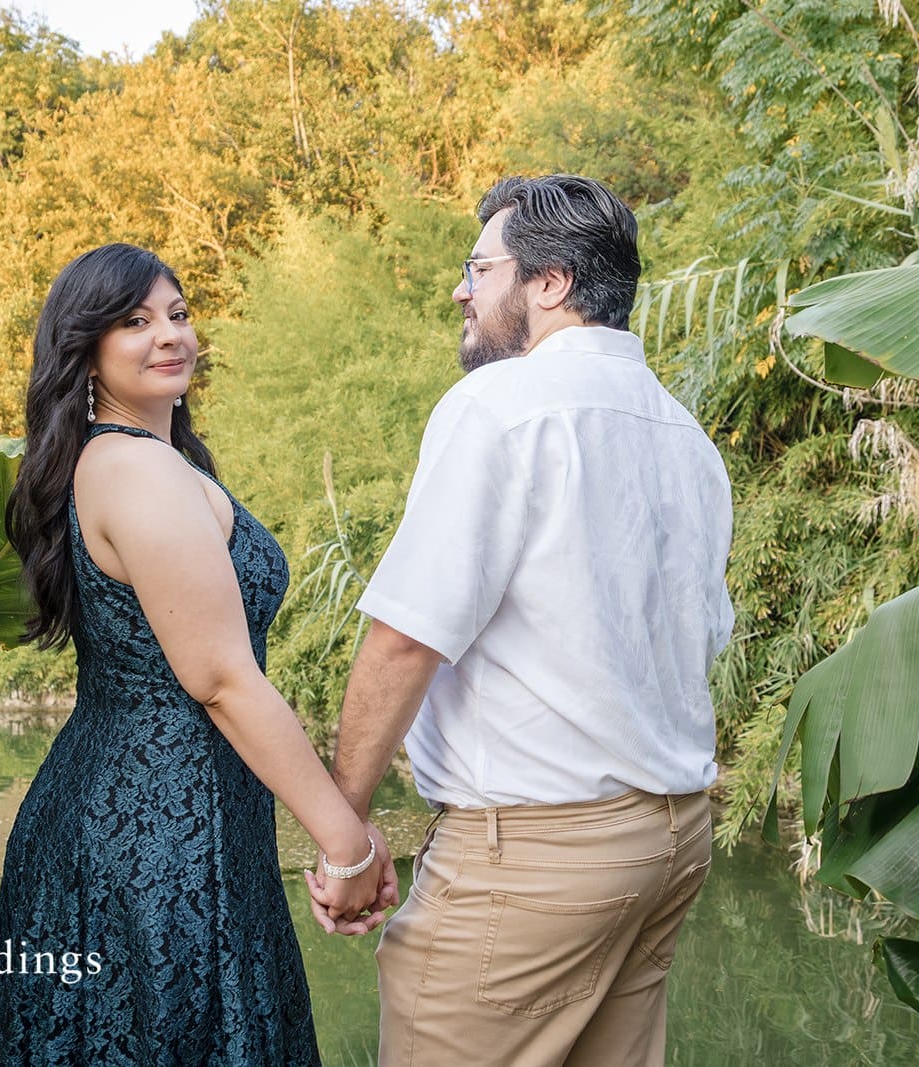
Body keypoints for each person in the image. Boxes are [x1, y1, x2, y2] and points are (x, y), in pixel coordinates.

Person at [309, 175, 735, 1066]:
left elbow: (404, 637)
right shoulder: (684, 434)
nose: (462, 290)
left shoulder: (499, 409)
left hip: (538, 856)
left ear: (552, 284)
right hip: (670, 838)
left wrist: (345, 830)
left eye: (480, 267)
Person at [0, 243, 394, 1066]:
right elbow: (223, 680)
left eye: (177, 313)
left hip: (173, 818)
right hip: (153, 844)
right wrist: (347, 842)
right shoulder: (134, 469)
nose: (169, 335)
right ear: (85, 348)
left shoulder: (146, 461)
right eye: (134, 321)